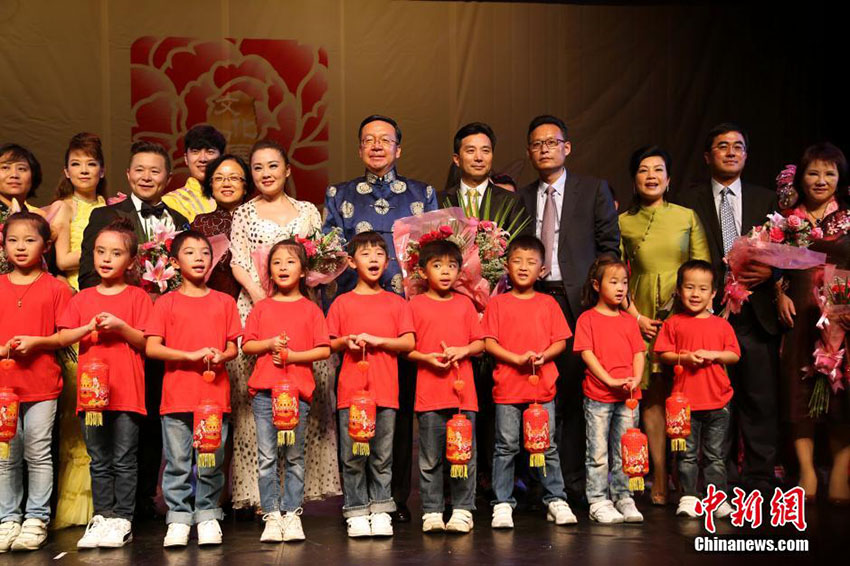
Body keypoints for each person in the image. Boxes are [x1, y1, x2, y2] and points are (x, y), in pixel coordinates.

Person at [323, 114, 437, 522]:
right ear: (359, 149)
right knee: (355, 408)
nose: (376, 146)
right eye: (368, 140)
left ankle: (394, 498)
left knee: (399, 411)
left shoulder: (423, 193)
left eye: (384, 140)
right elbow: (329, 257)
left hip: (406, 316)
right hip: (355, 316)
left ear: (398, 149)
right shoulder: (339, 194)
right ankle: (357, 501)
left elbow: (435, 256)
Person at [672, 123, 779, 496]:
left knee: (759, 398)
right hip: (708, 314)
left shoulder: (766, 200)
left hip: (757, 314)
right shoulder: (688, 201)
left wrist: (772, 273)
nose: (731, 152)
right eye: (722, 146)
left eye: (738, 146)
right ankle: (722, 478)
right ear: (708, 156)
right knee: (715, 400)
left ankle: (760, 477)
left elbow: (785, 254)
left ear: (746, 155)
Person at [518, 115, 620, 503]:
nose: (544, 149)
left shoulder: (592, 190)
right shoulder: (520, 198)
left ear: (567, 147)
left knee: (576, 395)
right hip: (534, 301)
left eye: (552, 142)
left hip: (578, 302)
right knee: (536, 393)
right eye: (537, 144)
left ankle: (574, 483)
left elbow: (609, 246)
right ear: (529, 152)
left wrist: (601, 295)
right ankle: (537, 483)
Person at [228, 139, 333, 512]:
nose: (265, 173)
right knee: (257, 407)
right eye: (257, 168)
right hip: (257, 309)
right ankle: (263, 497)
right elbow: (238, 261)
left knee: (302, 402)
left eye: (273, 166)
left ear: (287, 170)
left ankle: (294, 497)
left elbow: (320, 258)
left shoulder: (307, 211)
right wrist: (263, 300)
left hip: (301, 309)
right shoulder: (244, 213)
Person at [618, 146, 710, 504]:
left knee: (684, 394)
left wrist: (692, 316)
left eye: (658, 169)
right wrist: (636, 317)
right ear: (634, 179)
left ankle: (684, 474)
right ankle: (658, 473)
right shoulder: (623, 222)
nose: (651, 176)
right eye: (643, 170)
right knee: (653, 397)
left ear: (669, 179)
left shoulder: (687, 216)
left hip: (685, 314)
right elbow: (616, 276)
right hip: (641, 317)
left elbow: (702, 270)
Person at [57, 219, 152, 549]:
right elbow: (63, 337)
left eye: (115, 253)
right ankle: (102, 516)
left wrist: (121, 327)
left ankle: (122, 518)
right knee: (98, 458)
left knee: (124, 457)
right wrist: (87, 328)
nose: (106, 259)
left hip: (127, 393)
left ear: (131, 261)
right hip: (92, 397)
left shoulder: (138, 297)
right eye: (100, 252)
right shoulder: (82, 298)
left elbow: (147, 342)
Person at [145, 230, 241, 547]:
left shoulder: (224, 302)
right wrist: (189, 356)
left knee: (210, 460)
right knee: (177, 463)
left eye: (204, 253)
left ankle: (208, 514)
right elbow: (153, 348)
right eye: (190, 253)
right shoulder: (166, 303)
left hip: (213, 398)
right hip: (176, 397)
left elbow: (233, 347)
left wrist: (222, 355)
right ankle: (178, 518)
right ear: (174, 262)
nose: (199, 258)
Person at [483, 235, 577, 529]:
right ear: (507, 266)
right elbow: (489, 342)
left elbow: (561, 341)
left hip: (542, 388)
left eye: (531, 262)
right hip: (508, 387)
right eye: (517, 261)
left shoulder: (548, 303)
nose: (524, 267)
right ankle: (502, 502)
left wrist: (542, 356)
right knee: (506, 446)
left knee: (546, 446)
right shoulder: (497, 303)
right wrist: (515, 358)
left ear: (542, 269)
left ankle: (555, 499)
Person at [242, 240, 331, 543]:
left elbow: (323, 349)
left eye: (290, 262)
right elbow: (247, 345)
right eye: (277, 262)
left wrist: (293, 357)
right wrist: (268, 344)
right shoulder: (262, 308)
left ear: (303, 271)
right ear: (269, 271)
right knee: (267, 457)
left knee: (294, 457)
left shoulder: (311, 310)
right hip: (265, 395)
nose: (283, 267)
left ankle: (292, 513)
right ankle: (271, 514)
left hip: (296, 396)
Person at [326, 231, 415, 538]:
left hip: (386, 392)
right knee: (353, 456)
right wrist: (345, 342)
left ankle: (380, 508)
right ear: (352, 262)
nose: (373, 259)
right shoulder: (341, 302)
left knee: (382, 456)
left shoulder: (397, 303)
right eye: (365, 254)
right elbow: (328, 343)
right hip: (351, 394)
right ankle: (355, 510)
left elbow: (408, 342)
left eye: (379, 254)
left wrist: (378, 341)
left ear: (388, 262)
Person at [775, 142, 850, 503]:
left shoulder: (848, 217)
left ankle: (840, 472)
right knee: (798, 393)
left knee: (842, 396)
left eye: (829, 173)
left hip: (842, 317)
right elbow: (771, 265)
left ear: (839, 178)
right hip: (801, 317)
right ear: (801, 178)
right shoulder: (785, 221)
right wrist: (779, 293)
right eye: (813, 172)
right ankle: (806, 470)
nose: (821, 180)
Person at [0, 212, 72, 552]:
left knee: (38, 452)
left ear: (45, 246)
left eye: (30, 240)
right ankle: (8, 519)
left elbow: (65, 336)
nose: (20, 247)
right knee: (5, 454)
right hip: (3, 387)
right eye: (13, 240)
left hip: (42, 384)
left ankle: (36, 518)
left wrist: (38, 342)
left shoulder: (57, 288)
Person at [49, 133, 109, 530]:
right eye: (76, 164)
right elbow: (59, 259)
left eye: (91, 164)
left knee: (104, 396)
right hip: (74, 300)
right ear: (66, 171)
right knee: (78, 401)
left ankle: (104, 499)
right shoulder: (64, 207)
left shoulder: (109, 205)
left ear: (102, 170)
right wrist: (102, 253)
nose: (84, 170)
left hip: (106, 300)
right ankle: (76, 503)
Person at [407, 240, 484, 534]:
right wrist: (426, 358)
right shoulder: (415, 305)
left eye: (451, 266)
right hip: (429, 395)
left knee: (464, 455)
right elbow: (407, 348)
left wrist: (462, 351)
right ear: (422, 271)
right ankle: (432, 510)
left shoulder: (465, 304)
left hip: (463, 396)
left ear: (460, 272)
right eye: (437, 265)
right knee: (430, 458)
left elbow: (480, 343)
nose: (445, 272)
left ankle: (463, 510)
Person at [655, 260, 740, 518]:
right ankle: (689, 497)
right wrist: (685, 358)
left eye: (703, 289)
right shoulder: (673, 323)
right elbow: (662, 354)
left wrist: (713, 354)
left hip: (718, 401)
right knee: (686, 454)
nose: (695, 294)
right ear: (679, 290)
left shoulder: (722, 325)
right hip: (684, 405)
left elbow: (734, 355)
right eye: (689, 287)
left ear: (713, 293)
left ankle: (717, 498)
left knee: (716, 456)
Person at [573, 255, 645, 524]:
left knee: (626, 449)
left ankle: (623, 496)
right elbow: (587, 354)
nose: (620, 288)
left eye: (624, 282)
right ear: (596, 285)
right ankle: (598, 499)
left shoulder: (629, 321)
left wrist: (636, 379)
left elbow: (639, 353)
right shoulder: (587, 319)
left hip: (628, 397)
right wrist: (609, 380)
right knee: (598, 452)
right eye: (613, 282)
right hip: (599, 397)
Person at [79, 141, 190, 289]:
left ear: (168, 178)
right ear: (128, 174)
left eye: (155, 171)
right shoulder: (105, 216)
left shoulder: (179, 221)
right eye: (139, 170)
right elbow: (88, 277)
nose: (146, 177)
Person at [190, 154, 252, 298]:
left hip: (255, 301)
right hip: (211, 304)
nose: (226, 184)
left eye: (234, 178)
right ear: (211, 186)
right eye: (219, 178)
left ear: (245, 186)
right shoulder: (200, 224)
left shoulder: (259, 221)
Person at [440, 122, 528, 223]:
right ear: (457, 159)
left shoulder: (511, 201)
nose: (479, 158)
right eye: (471, 151)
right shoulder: (439, 200)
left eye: (485, 151)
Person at [161, 125, 226, 223]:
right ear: (186, 158)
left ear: (222, 158)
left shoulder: (233, 197)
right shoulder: (172, 202)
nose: (203, 159)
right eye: (195, 152)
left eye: (210, 152)